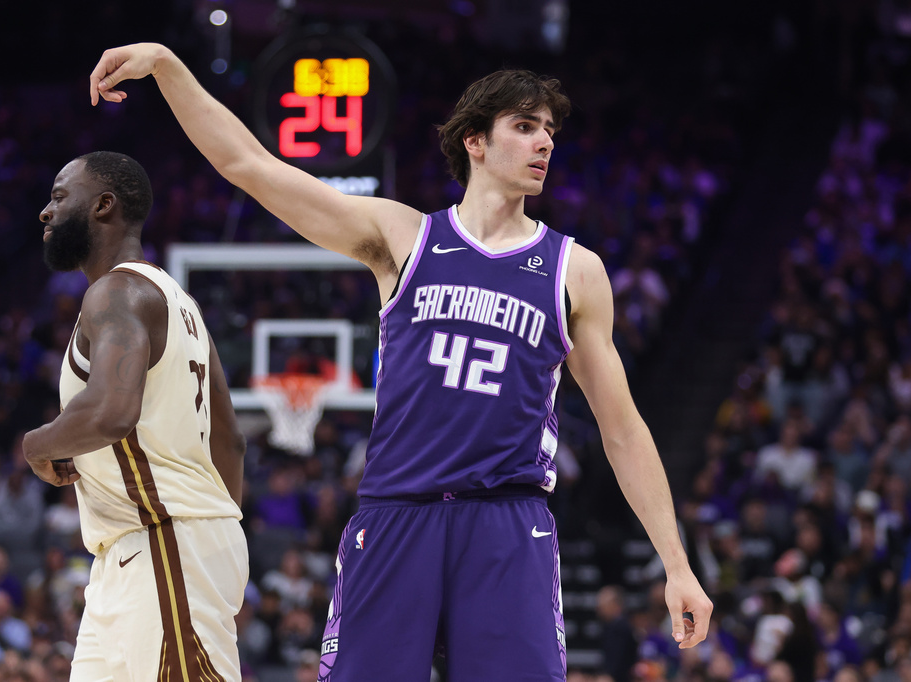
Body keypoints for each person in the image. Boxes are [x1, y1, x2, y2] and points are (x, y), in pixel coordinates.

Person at [88, 44, 713, 681]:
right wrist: (167, 65)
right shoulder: (404, 238)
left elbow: (623, 427)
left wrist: (677, 564)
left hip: (507, 520)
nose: (544, 143)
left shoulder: (573, 271)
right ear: (475, 140)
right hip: (396, 515)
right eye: (525, 127)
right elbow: (248, 164)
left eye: (550, 130)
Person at [21, 151, 248, 681]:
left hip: (162, 539)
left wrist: (37, 445)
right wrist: (217, 542)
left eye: (59, 196)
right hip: (142, 551)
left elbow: (111, 412)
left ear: (104, 205)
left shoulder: (116, 292)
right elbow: (230, 443)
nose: (45, 212)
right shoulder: (181, 303)